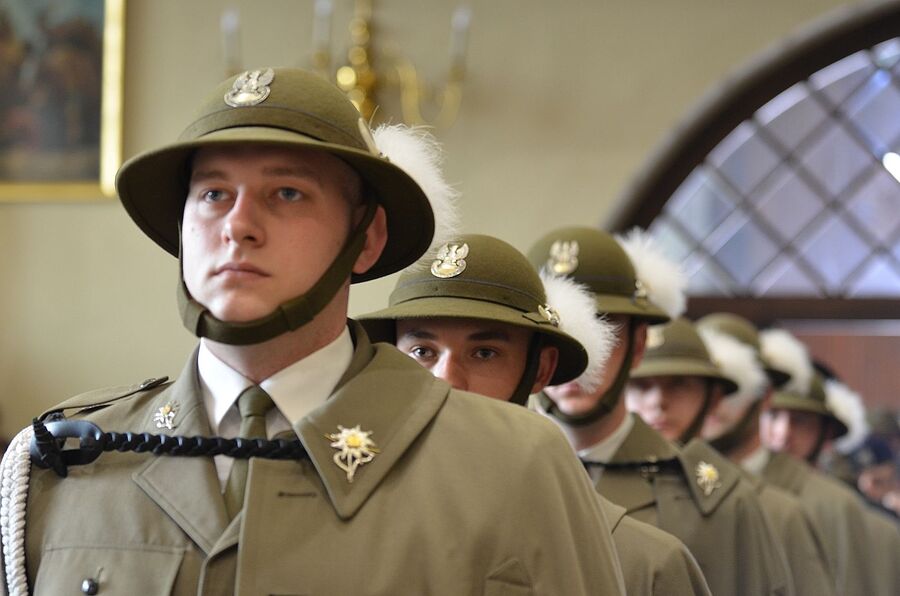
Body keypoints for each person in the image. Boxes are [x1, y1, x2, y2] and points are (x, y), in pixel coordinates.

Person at [0, 68, 628, 595]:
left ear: (367, 238)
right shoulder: (67, 461)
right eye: (214, 193)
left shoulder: (512, 465)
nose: (238, 225)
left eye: (288, 194)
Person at [361, 232, 712, 596]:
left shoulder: (643, 564)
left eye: (484, 353)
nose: (446, 380)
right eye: (422, 351)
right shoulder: (345, 525)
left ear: (540, 370)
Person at [524, 227, 791, 596]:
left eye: (602, 328)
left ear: (638, 345)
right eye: (559, 329)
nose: (580, 355)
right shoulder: (486, 479)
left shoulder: (719, 504)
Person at [628, 316, 835, 596]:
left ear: (711, 398)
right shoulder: (590, 484)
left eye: (679, 384)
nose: (657, 402)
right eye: (641, 386)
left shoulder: (758, 504)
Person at [753, 326, 900, 595]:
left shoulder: (846, 510)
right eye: (773, 416)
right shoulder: (741, 495)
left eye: (801, 421)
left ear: (826, 432)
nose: (783, 434)